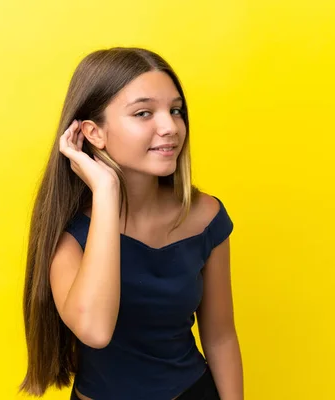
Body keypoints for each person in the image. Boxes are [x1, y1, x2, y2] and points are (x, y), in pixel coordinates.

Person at [19, 47, 244, 399]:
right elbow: (94, 330)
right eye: (143, 113)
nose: (170, 127)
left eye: (175, 111)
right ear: (94, 133)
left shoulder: (206, 218)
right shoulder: (69, 236)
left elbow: (221, 337)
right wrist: (106, 192)